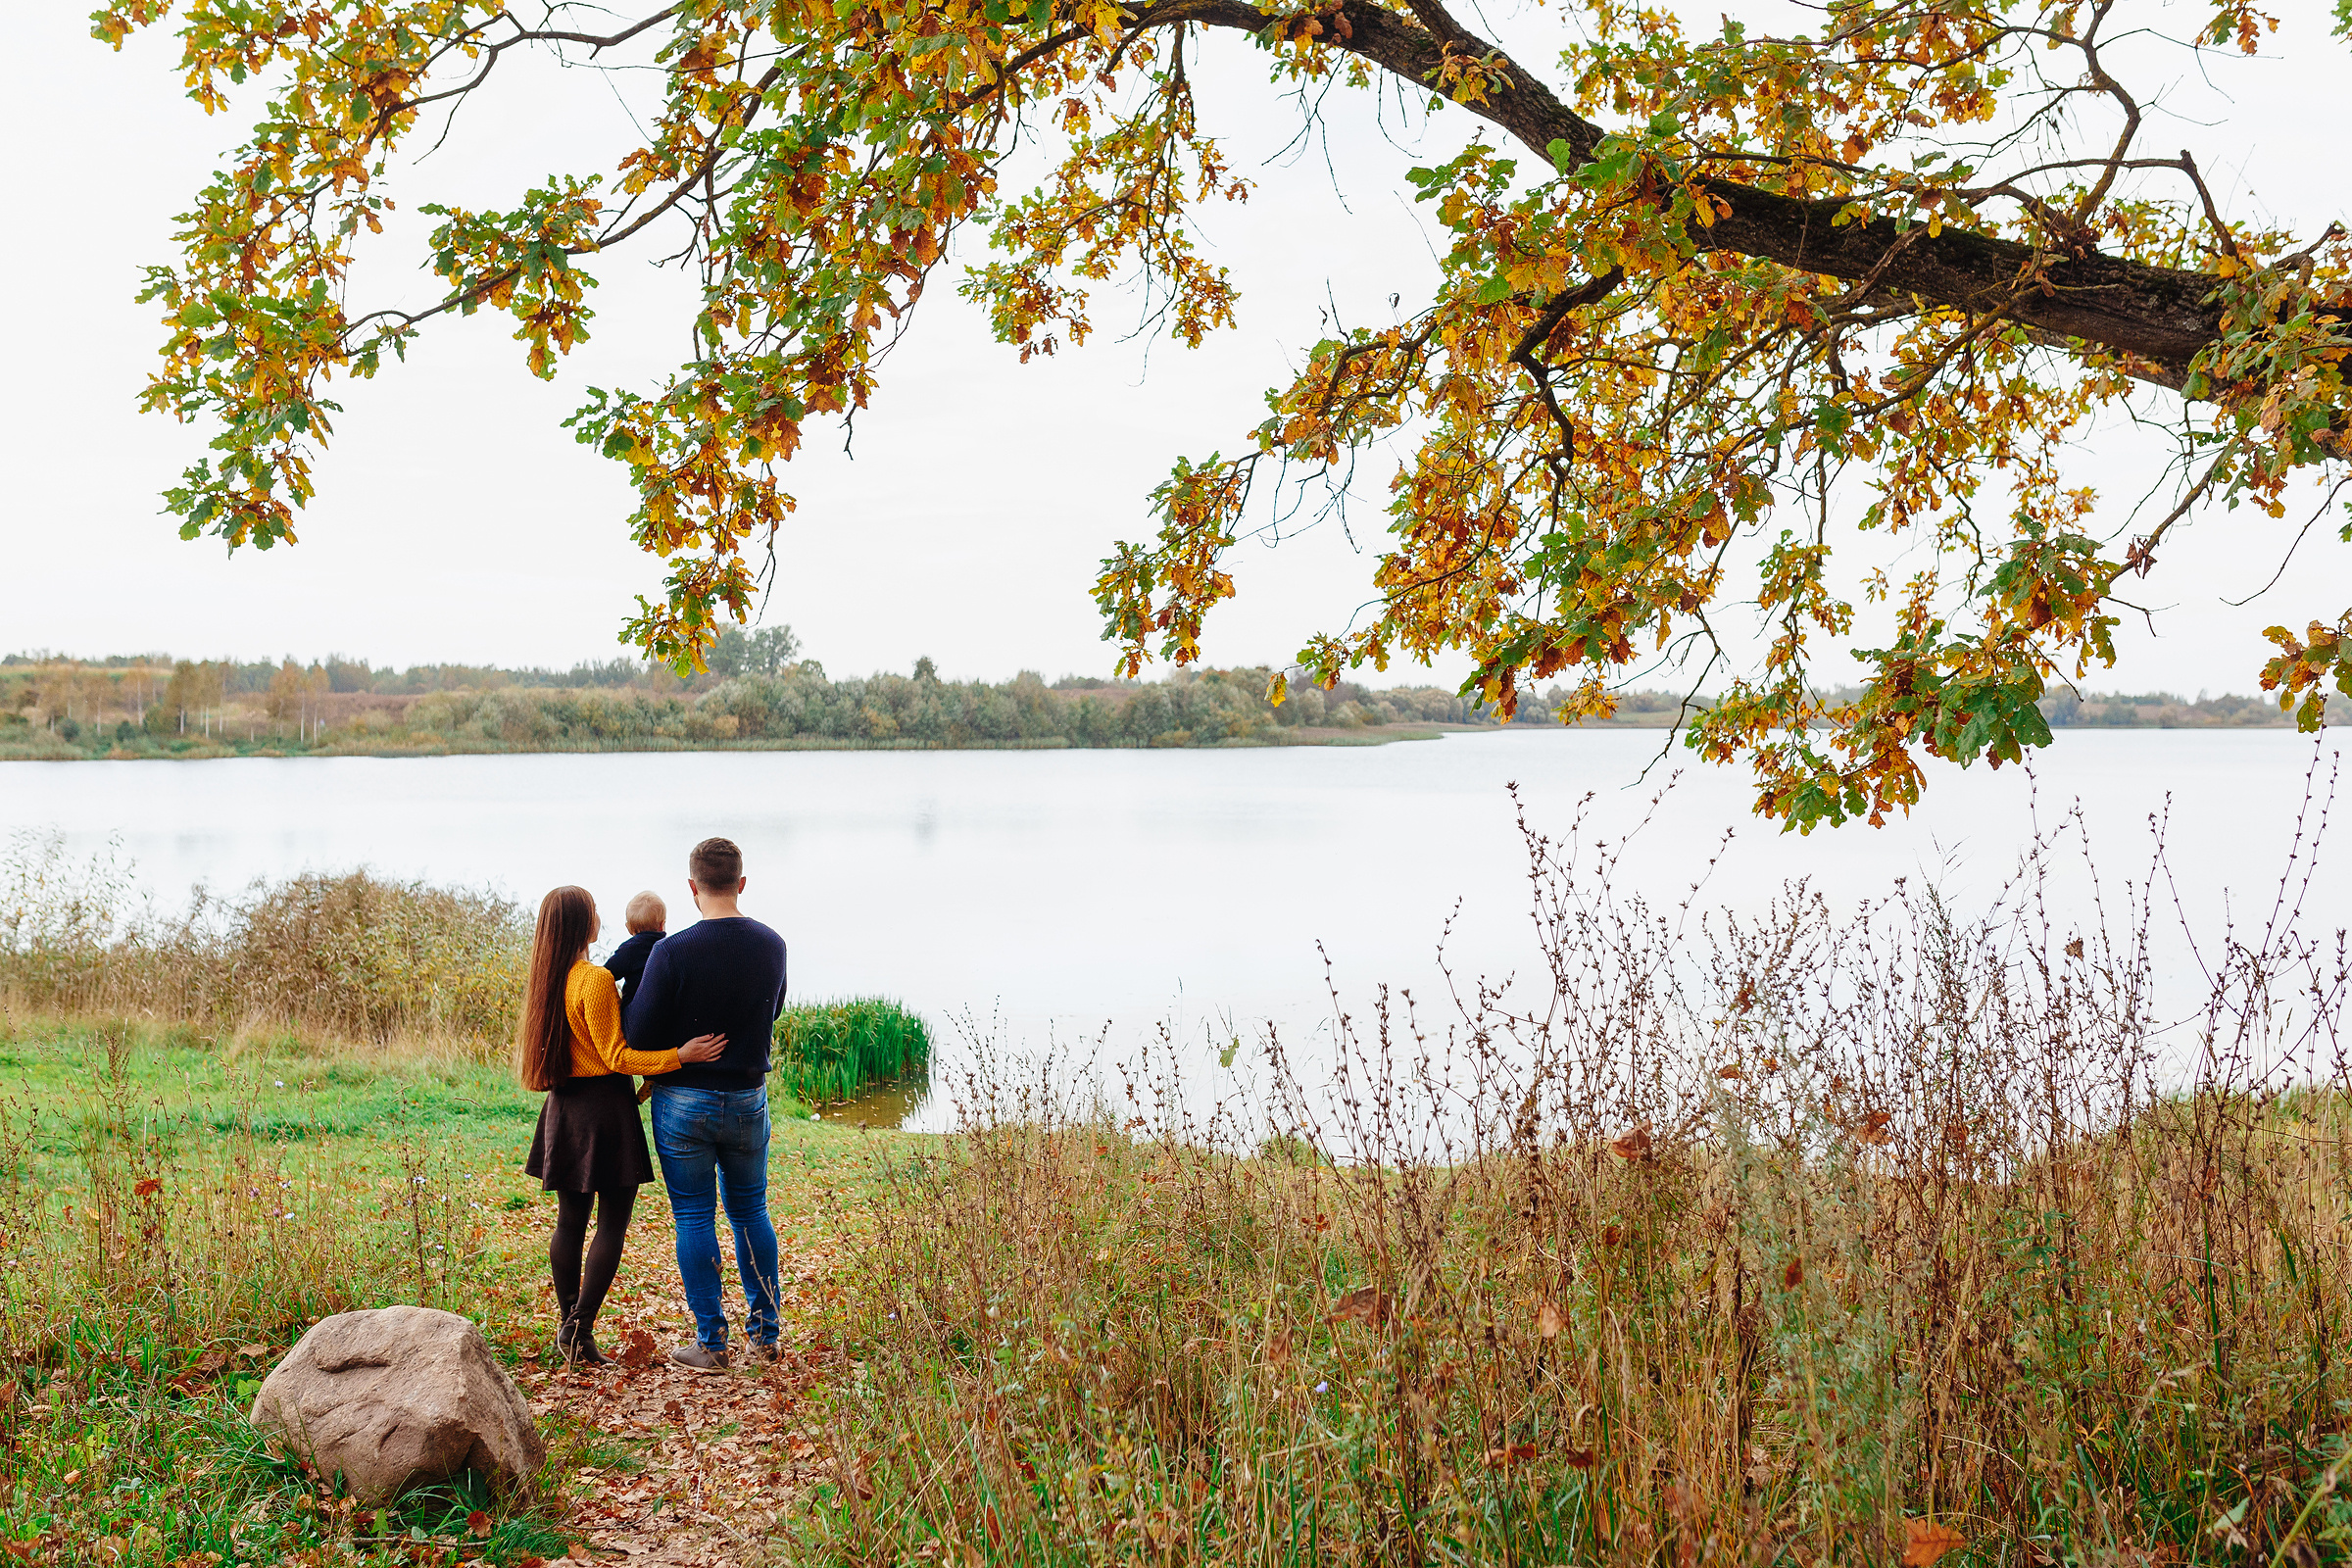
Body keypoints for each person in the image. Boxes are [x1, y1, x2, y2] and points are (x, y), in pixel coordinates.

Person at [518, 885, 726, 1365]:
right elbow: (617, 1056)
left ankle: (571, 1331)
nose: (599, 915)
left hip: (564, 1108)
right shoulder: (593, 981)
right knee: (612, 1224)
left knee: (570, 1222)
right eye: (593, 909)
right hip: (604, 1109)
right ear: (580, 923)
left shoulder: (548, 979)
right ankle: (579, 1329)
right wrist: (679, 1056)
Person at [622, 836, 789, 1372]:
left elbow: (638, 1033)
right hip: (746, 1099)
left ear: (692, 887)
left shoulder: (671, 952)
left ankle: (712, 1344)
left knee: (694, 1214)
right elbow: (773, 1011)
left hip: (683, 1102)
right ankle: (765, 1336)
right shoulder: (772, 945)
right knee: (751, 1210)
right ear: (741, 883)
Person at [604, 890, 667, 1006]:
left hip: (634, 1008)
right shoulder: (669, 947)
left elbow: (605, 974)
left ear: (628, 928)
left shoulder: (629, 950)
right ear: (662, 925)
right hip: (664, 1007)